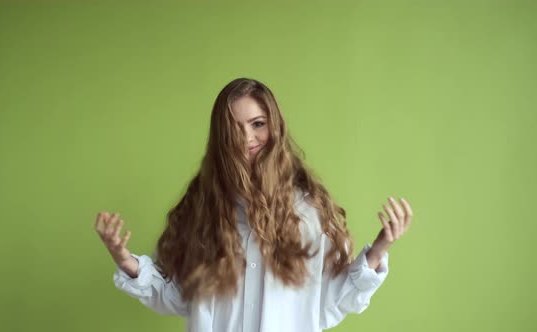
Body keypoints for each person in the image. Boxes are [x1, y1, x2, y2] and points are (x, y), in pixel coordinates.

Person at [94, 77, 414, 332]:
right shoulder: (202, 210)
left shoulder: (308, 212)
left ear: (274, 127)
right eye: (235, 127)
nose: (247, 137)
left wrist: (379, 250)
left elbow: (331, 302)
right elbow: (179, 297)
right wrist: (126, 261)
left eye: (257, 123)